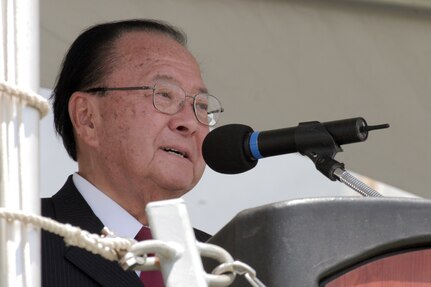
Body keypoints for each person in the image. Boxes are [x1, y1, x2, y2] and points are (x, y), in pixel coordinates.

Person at [41, 19, 224, 287]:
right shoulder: (19, 236)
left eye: (201, 106)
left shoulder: (225, 264)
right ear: (87, 117)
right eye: (163, 95)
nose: (190, 122)